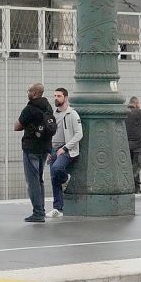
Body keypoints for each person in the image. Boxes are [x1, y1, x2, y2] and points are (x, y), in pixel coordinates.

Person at [14, 82, 55, 223]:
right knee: (40, 180)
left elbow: (17, 126)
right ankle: (41, 210)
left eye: (29, 91)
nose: (28, 93)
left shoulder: (29, 108)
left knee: (32, 182)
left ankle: (38, 213)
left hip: (31, 148)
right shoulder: (48, 107)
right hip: (45, 148)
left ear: (35, 93)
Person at [47, 87, 83, 218]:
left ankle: (66, 177)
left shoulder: (72, 114)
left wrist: (66, 148)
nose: (56, 98)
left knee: (57, 168)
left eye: (59, 96)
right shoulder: (53, 114)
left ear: (65, 98)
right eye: (55, 96)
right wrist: (48, 149)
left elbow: (79, 134)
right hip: (53, 148)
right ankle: (58, 208)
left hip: (66, 149)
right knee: (53, 179)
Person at [125, 96, 141, 194]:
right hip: (138, 146)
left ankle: (136, 188)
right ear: (136, 104)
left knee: (131, 166)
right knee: (137, 165)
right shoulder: (139, 112)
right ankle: (129, 184)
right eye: (139, 103)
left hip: (126, 146)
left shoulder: (124, 112)